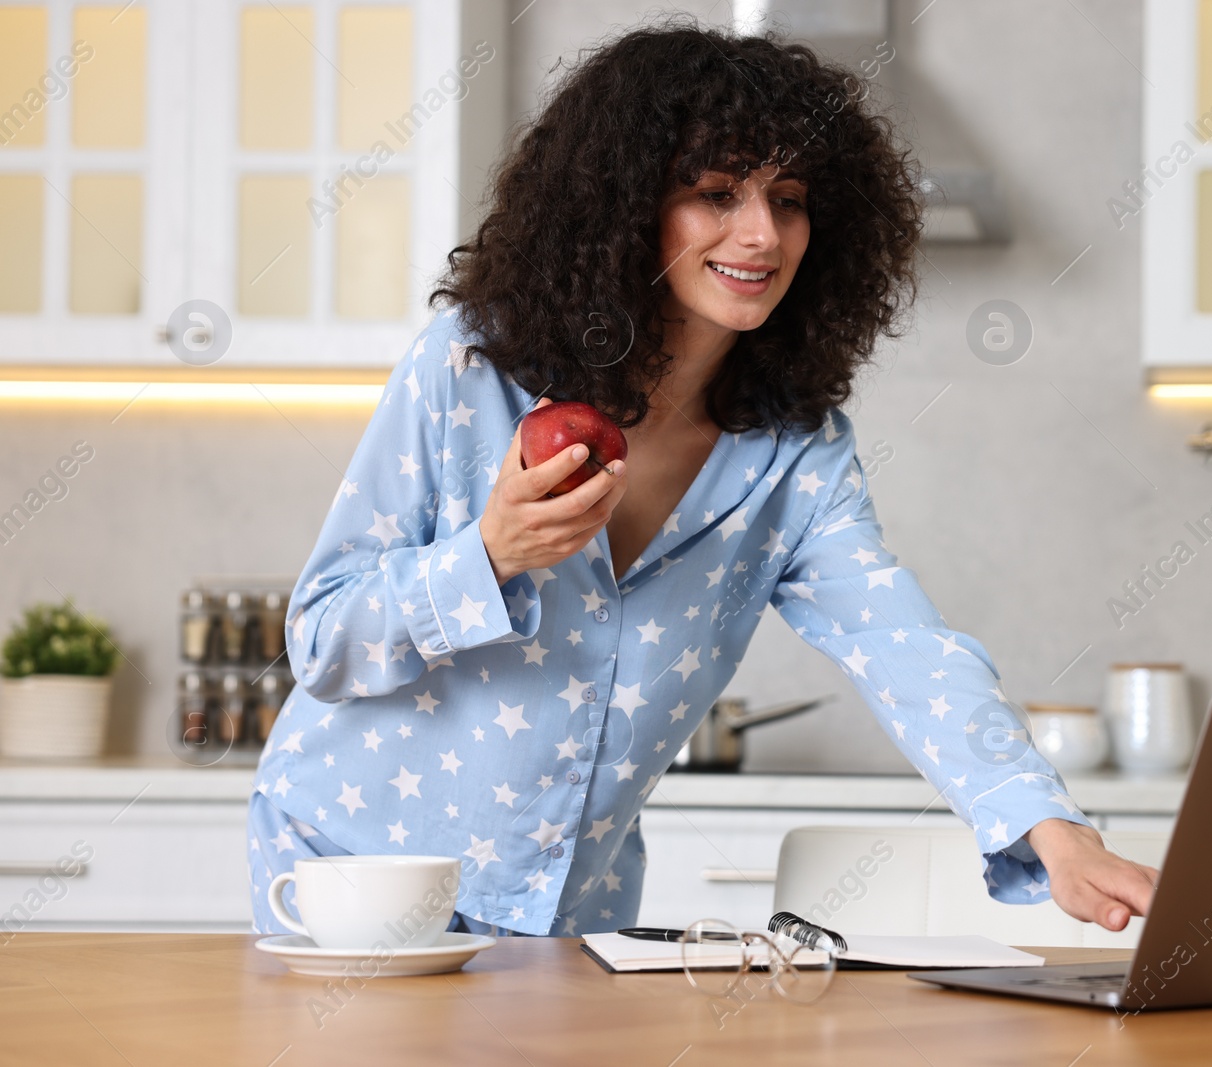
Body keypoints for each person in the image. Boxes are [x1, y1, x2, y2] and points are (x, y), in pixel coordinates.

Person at [249, 20, 1157, 939]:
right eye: (716, 193)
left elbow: (905, 645)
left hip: (569, 913)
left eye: (791, 198)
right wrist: (488, 557)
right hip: (355, 882)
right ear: (625, 204)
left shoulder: (792, 452)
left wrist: (1052, 828)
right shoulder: (470, 371)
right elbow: (322, 639)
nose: (761, 234)